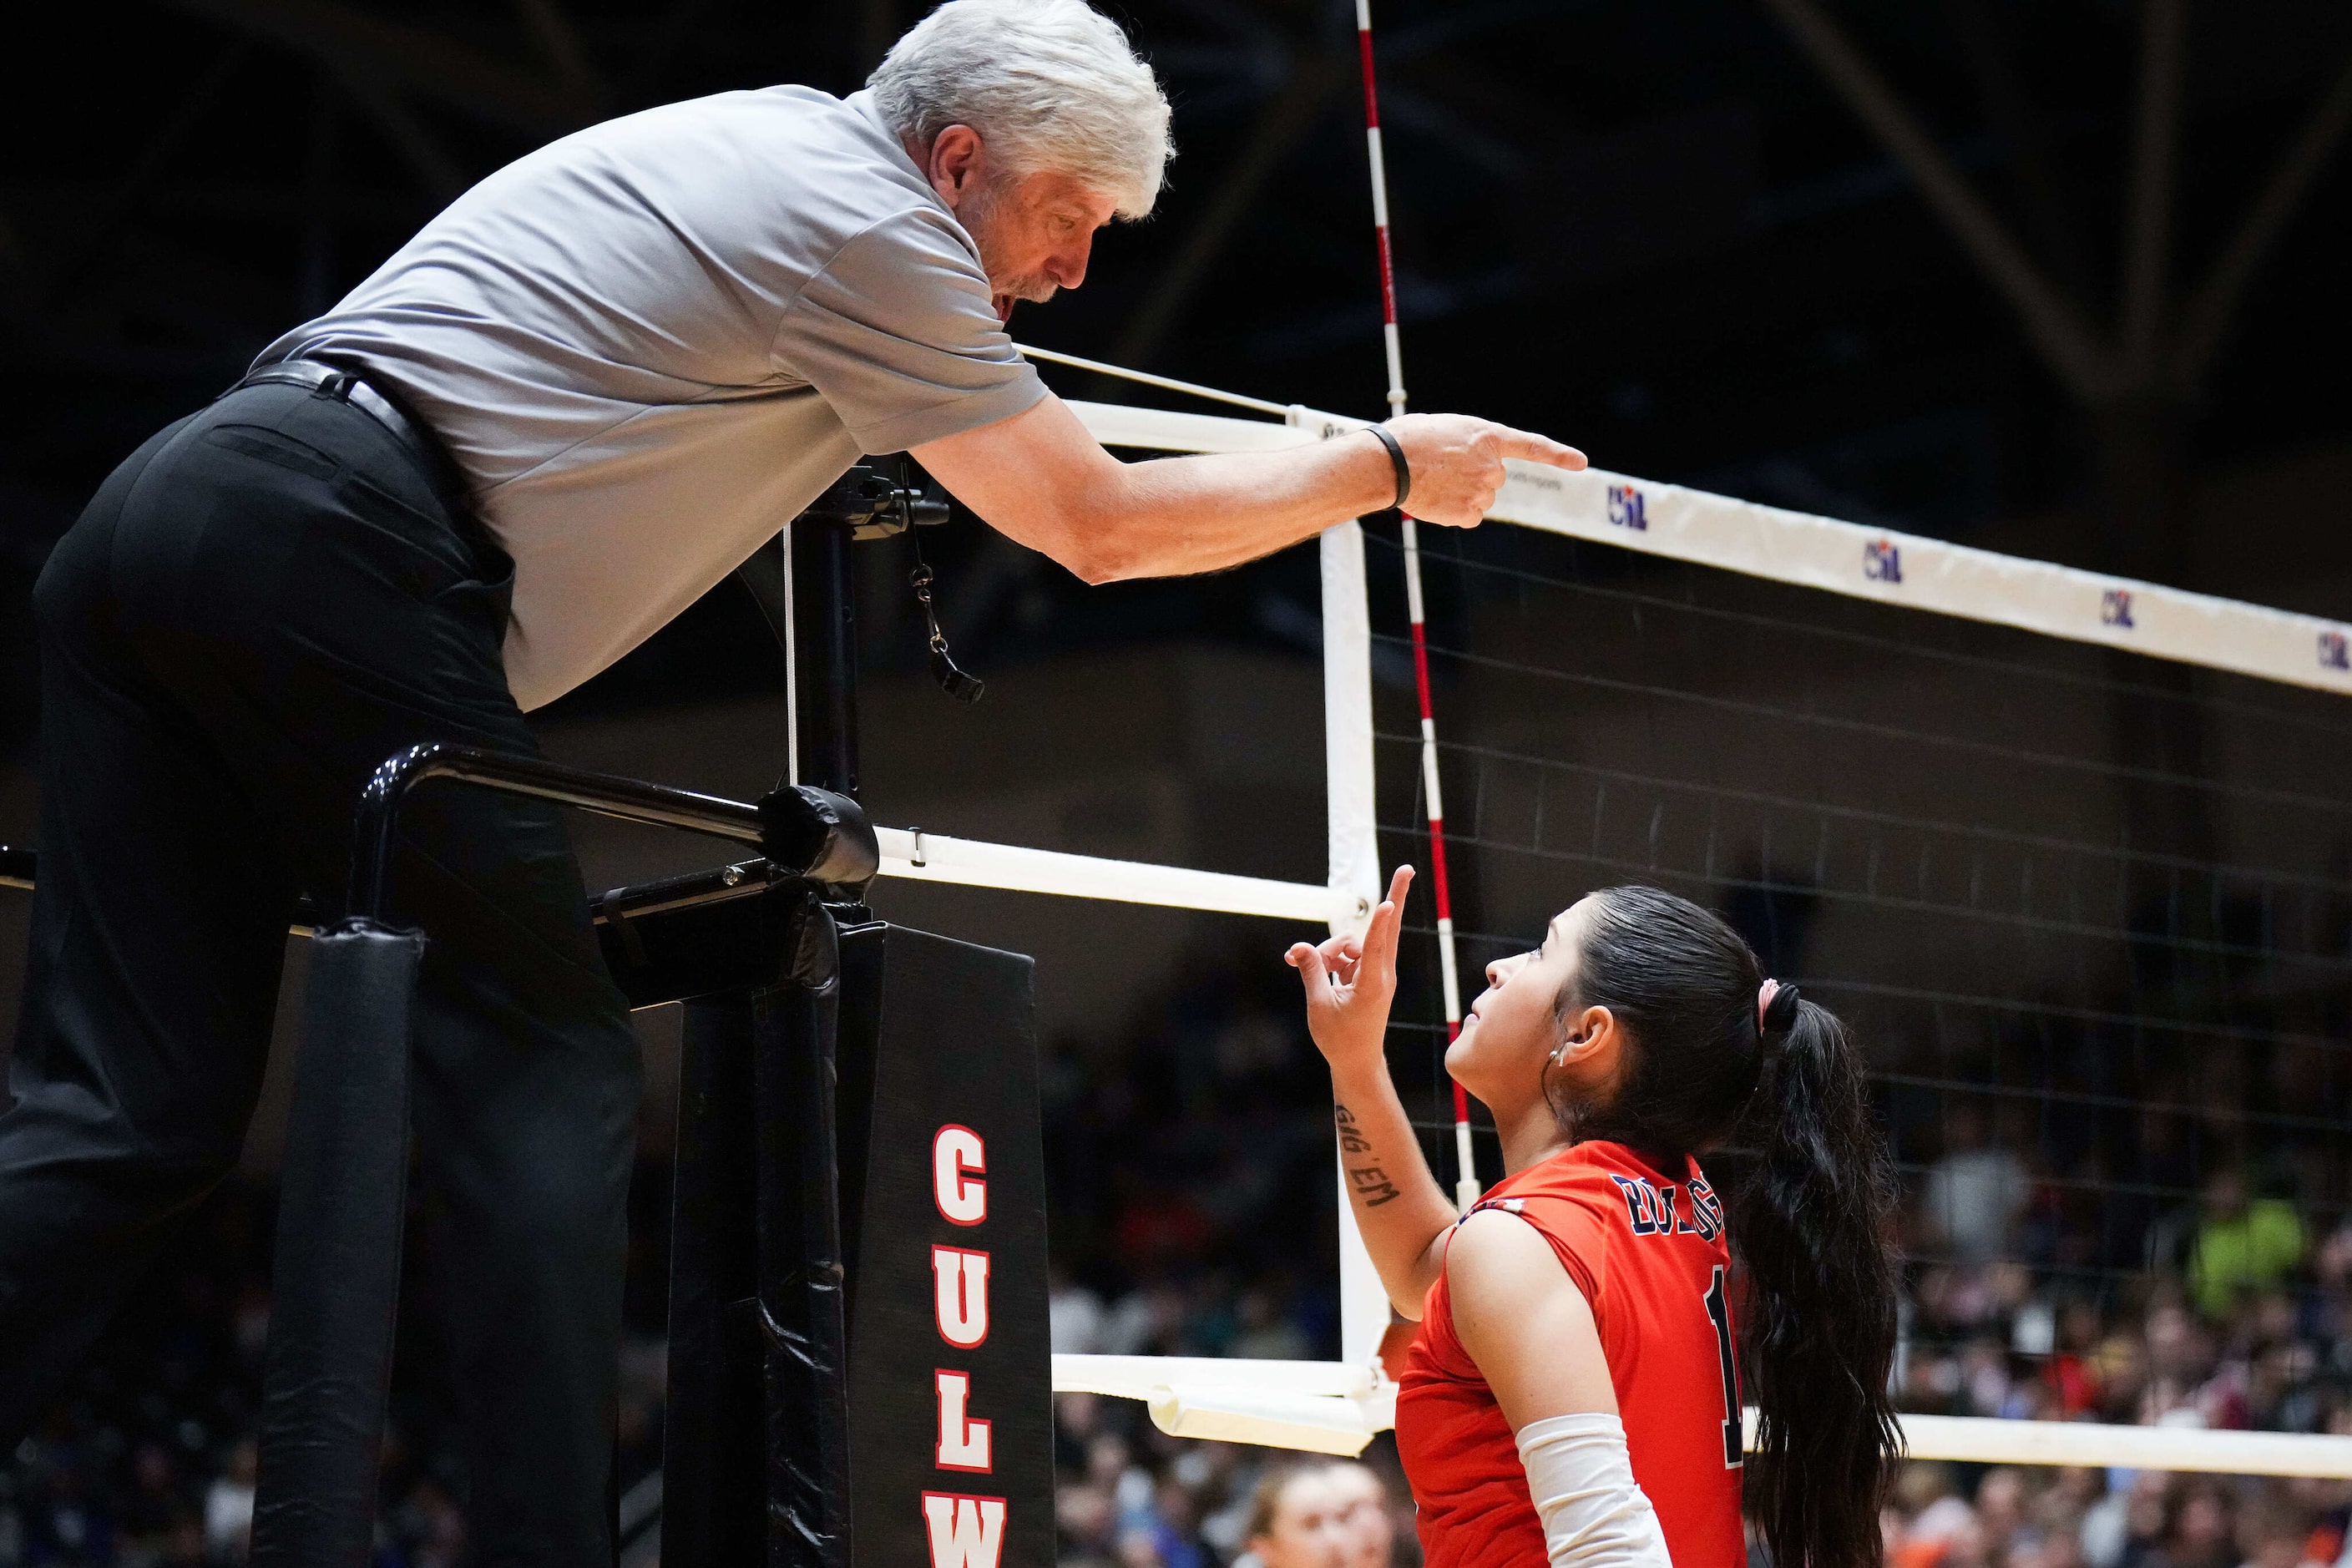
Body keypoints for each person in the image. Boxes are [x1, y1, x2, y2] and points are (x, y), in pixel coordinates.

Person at [0, 0, 1586, 1560]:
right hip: (325, 545)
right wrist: (1381, 467)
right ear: (956, 161)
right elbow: (1097, 528)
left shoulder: (772, 143)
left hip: (163, 511)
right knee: (545, 1057)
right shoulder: (872, 227)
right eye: (1061, 220)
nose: (1074, 272)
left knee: (130, 1114)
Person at [1287, 870, 1901, 1568]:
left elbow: (1605, 1547)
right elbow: (1423, 1269)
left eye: (1541, 951)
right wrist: (1355, 1060)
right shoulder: (1677, 1197)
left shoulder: (1527, 1242)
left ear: (1584, 1035)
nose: (1498, 964)